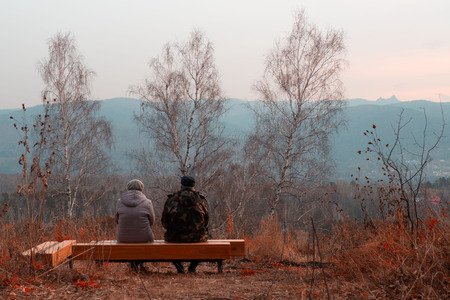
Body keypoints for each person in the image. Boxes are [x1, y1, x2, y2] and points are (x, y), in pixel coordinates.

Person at [161, 175, 209, 273]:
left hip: (175, 237)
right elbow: (206, 221)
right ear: (194, 187)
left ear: (181, 186)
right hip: (197, 237)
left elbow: (164, 222)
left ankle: (179, 267)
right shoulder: (201, 200)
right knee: (204, 236)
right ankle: (192, 267)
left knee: (169, 238)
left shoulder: (171, 200)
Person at [115, 179, 155, 272]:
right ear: (142, 189)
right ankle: (139, 265)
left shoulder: (120, 201)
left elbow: (117, 219)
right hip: (144, 237)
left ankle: (133, 265)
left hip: (123, 237)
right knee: (145, 239)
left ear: (128, 188)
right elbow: (152, 221)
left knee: (130, 240)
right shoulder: (148, 202)